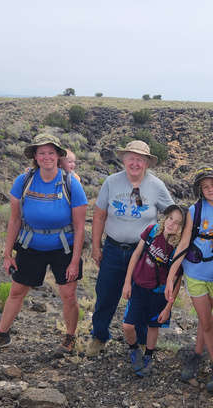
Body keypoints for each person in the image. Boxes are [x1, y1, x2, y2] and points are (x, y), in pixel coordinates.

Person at [0, 133, 87, 356]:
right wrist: (7, 254)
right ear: (35, 156)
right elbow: (15, 220)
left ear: (58, 155)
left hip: (63, 247)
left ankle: (70, 338)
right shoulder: (23, 181)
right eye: (41, 152)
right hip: (31, 245)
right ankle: (2, 334)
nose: (47, 157)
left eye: (51, 152)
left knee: (68, 296)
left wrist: (75, 261)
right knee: (16, 292)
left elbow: (80, 226)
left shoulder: (71, 183)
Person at [87, 140, 175, 356]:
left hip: (145, 253)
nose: (135, 163)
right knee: (105, 295)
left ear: (147, 163)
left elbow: (173, 214)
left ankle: (143, 342)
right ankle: (99, 337)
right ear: (124, 160)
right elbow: (99, 215)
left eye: (140, 160)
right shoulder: (111, 182)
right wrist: (96, 248)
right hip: (113, 249)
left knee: (143, 296)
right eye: (131, 158)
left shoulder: (157, 186)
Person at [165, 164, 213, 391]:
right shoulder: (195, 211)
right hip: (194, 272)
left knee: (206, 321)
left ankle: (196, 355)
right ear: (200, 191)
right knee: (207, 321)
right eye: (205, 186)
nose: (210, 189)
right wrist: (171, 277)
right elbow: (183, 244)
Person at [121, 204, 186, 377]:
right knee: (127, 325)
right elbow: (136, 255)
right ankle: (134, 349)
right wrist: (127, 283)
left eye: (178, 223)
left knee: (153, 325)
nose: (171, 224)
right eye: (170, 218)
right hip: (138, 287)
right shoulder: (152, 231)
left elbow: (176, 280)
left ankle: (148, 355)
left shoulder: (178, 248)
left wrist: (168, 308)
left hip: (159, 293)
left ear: (183, 229)